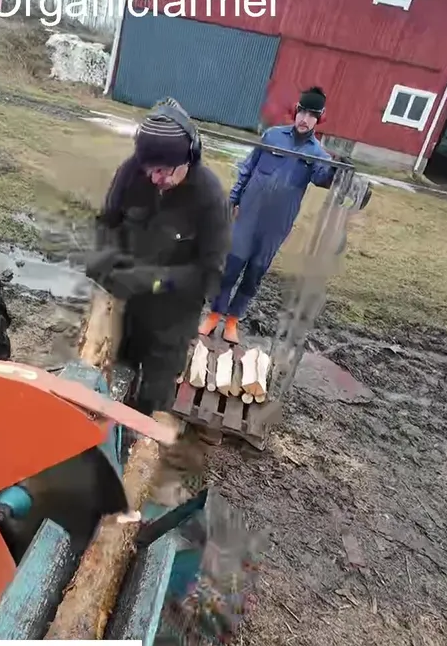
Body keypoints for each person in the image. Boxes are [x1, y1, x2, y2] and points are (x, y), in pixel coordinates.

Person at [86, 99, 231, 415]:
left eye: (164, 171)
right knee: (112, 376)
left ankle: (144, 432)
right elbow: (107, 222)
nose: (154, 178)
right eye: (149, 170)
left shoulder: (208, 197)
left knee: (153, 398)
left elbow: (210, 273)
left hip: (172, 319)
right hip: (126, 308)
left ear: (188, 158)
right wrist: (105, 258)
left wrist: (154, 280)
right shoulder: (131, 172)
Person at [200, 86, 336, 344]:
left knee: (255, 273)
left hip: (276, 225)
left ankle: (232, 321)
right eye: (302, 112)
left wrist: (335, 171)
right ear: (296, 111)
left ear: (319, 119)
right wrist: (233, 199)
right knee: (230, 266)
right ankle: (214, 315)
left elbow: (323, 178)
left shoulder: (318, 154)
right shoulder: (272, 136)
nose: (305, 119)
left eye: (312, 115)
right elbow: (248, 168)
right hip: (248, 215)